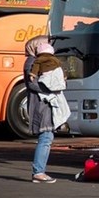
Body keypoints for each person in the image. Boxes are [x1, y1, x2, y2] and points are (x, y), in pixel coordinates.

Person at [24, 36, 57, 184]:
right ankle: (39, 172)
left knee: (47, 136)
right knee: (46, 137)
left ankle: (39, 171)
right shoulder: (32, 63)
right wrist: (52, 89)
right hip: (41, 104)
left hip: (44, 103)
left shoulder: (37, 62)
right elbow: (33, 84)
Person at [30, 42, 71, 132]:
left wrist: (33, 74)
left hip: (46, 78)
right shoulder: (56, 60)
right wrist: (64, 77)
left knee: (56, 103)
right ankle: (61, 122)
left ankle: (60, 123)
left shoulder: (38, 59)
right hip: (56, 80)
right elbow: (61, 69)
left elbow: (35, 68)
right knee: (61, 105)